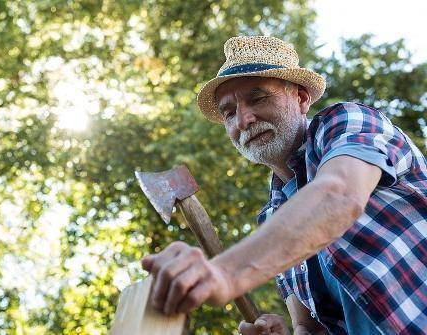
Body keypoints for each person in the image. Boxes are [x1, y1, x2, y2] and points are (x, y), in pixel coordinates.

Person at [140, 35, 427, 334]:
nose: (244, 119)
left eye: (258, 98)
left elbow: (339, 196)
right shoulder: (273, 218)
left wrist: (225, 274)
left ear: (301, 98)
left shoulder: (345, 123)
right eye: (229, 112)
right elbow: (308, 327)